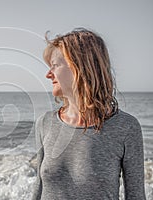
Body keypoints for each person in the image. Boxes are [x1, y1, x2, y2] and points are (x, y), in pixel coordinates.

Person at [32, 28, 146, 200]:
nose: (48, 74)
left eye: (55, 65)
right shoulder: (45, 123)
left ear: (80, 66)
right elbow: (39, 189)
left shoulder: (126, 127)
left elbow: (136, 196)